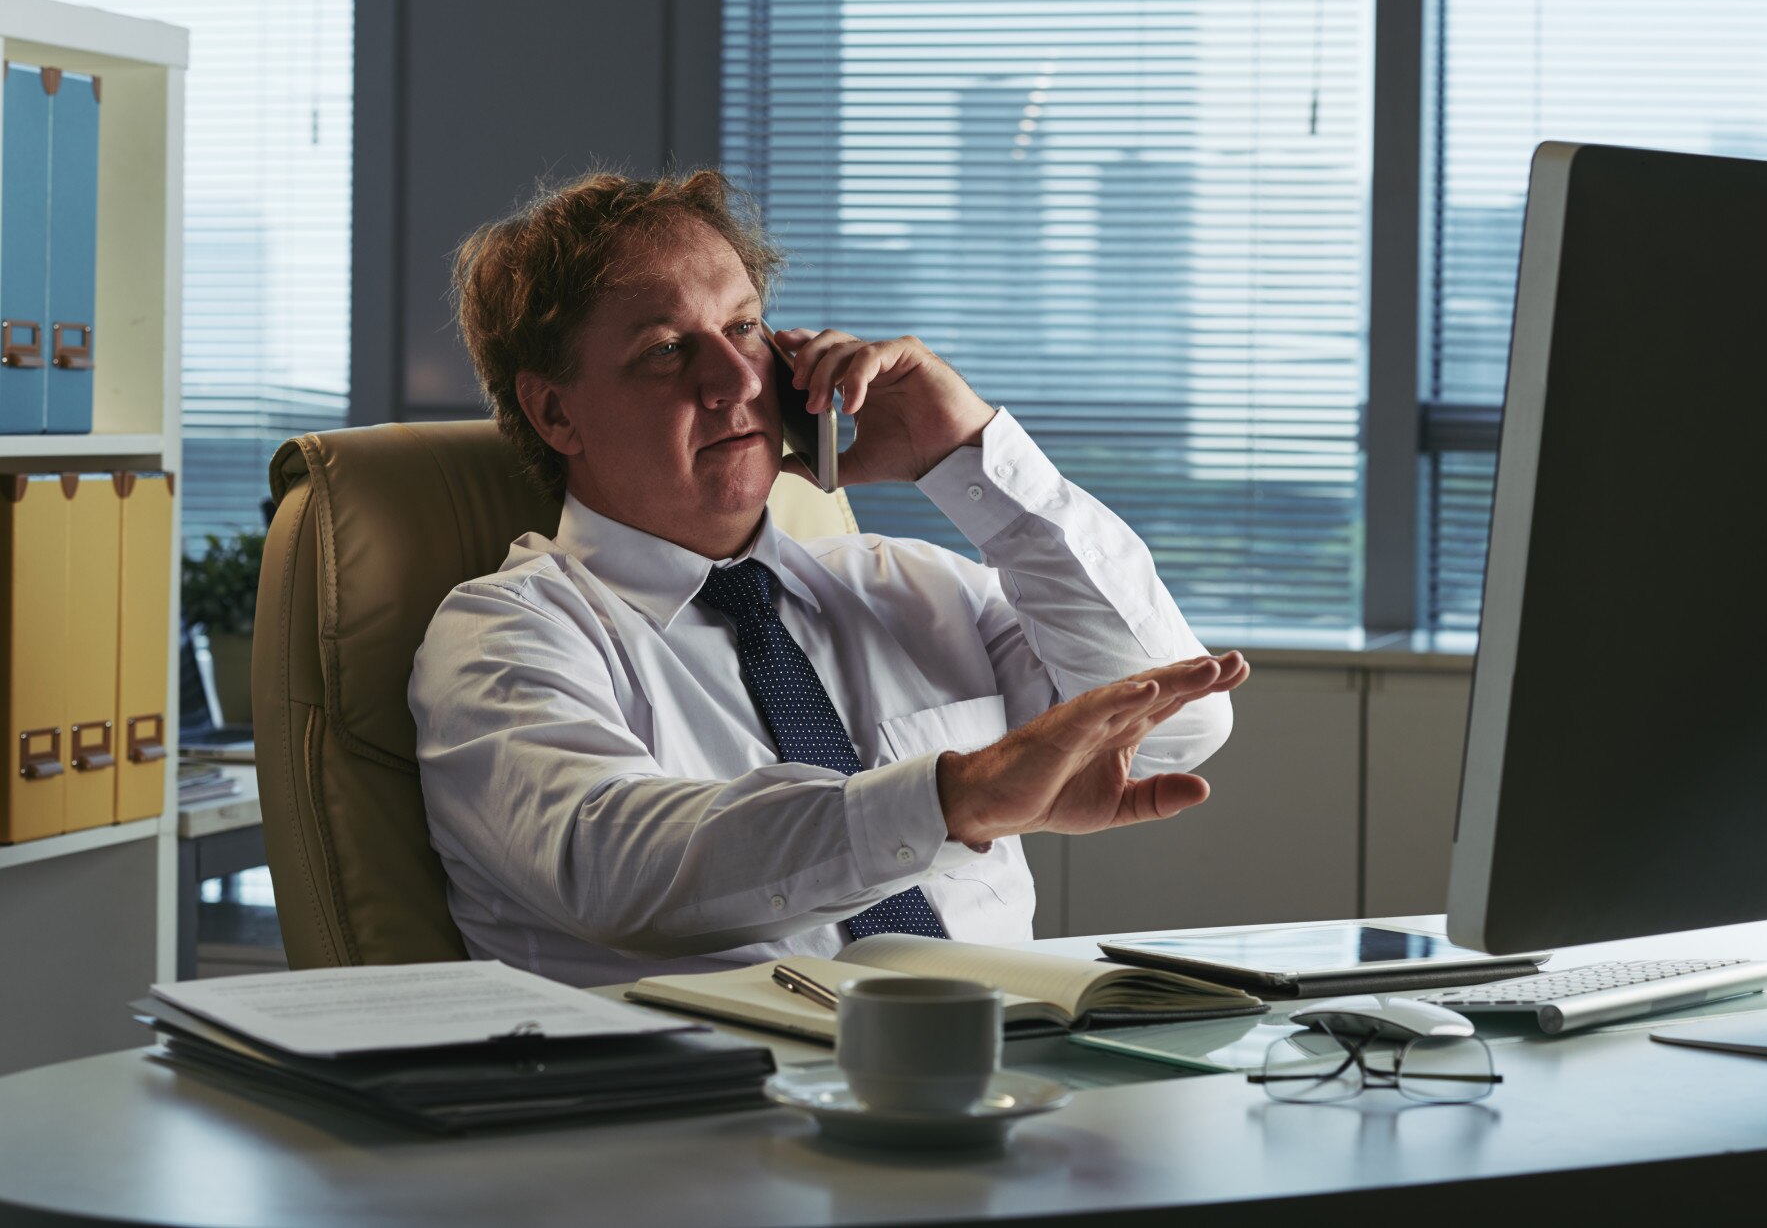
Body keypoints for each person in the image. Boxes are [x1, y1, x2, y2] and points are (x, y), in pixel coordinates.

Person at [410, 169, 1249, 986]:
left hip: (996, 1069)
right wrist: (951, 799)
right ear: (555, 412)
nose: (736, 380)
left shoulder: (912, 586)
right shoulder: (506, 633)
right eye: (666, 350)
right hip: (710, 1102)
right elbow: (612, 864)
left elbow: (1176, 726)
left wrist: (967, 456)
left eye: (743, 328)